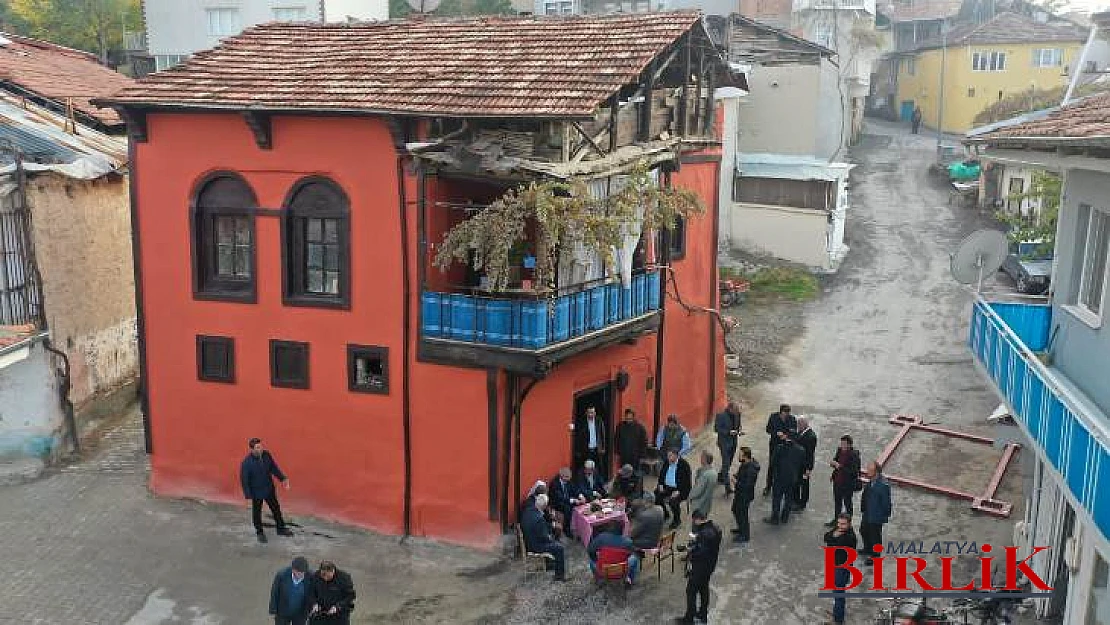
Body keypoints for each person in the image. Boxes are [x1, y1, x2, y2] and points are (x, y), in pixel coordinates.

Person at [240, 437, 293, 543]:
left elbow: (273, 468)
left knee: (276, 509)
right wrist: (248, 497)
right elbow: (244, 481)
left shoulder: (266, 455)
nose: (261, 449)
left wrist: (282, 478)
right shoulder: (246, 463)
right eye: (258, 447)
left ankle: (281, 528)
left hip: (269, 489)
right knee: (257, 513)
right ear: (252, 449)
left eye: (261, 446)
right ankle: (260, 533)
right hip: (256, 493)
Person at [676, 509, 722, 625]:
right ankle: (702, 614)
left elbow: (701, 552)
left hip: (700, 567)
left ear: (697, 519)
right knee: (704, 589)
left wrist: (689, 552)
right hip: (710, 566)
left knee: (691, 591)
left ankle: (689, 618)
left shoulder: (704, 534)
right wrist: (692, 546)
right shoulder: (715, 528)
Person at [521, 494, 566, 581]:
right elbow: (544, 538)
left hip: (528, 540)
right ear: (544, 506)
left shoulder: (528, 511)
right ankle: (559, 576)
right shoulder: (539, 518)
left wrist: (550, 527)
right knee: (559, 548)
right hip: (535, 546)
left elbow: (540, 528)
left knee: (555, 542)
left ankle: (551, 564)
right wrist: (552, 539)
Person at [824, 513, 858, 625]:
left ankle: (838, 620)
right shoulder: (839, 530)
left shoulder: (850, 537)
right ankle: (837, 613)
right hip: (836, 565)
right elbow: (826, 537)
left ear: (849, 524)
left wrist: (833, 536)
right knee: (836, 592)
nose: (840, 526)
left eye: (843, 524)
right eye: (838, 523)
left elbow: (833, 543)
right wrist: (834, 535)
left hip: (842, 568)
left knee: (839, 593)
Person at [765, 432, 805, 525]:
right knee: (789, 498)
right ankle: (785, 517)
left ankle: (775, 518)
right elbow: (801, 464)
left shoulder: (780, 448)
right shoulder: (801, 450)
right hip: (792, 478)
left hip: (779, 477)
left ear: (786, 436)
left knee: (777, 499)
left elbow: (773, 462)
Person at [859, 461, 892, 565]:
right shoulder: (871, 481)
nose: (867, 471)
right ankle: (867, 548)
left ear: (876, 472)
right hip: (868, 512)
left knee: (875, 536)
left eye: (870, 470)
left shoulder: (883, 485)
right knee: (863, 530)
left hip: (876, 516)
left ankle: (875, 556)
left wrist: (883, 516)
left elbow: (886, 503)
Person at [587, 521, 640, 586]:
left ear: (608, 530)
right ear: (622, 531)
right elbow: (630, 554)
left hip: (603, 570)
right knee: (634, 559)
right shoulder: (628, 542)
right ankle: (630, 580)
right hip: (621, 570)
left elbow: (590, 551)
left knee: (591, 562)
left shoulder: (601, 537)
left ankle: (599, 579)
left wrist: (596, 560)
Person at [826, 435, 862, 528]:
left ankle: (848, 523)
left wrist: (839, 466)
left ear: (850, 445)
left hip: (847, 484)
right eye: (841, 443)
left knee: (847, 504)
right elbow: (836, 460)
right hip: (837, 482)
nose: (842, 446)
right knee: (837, 502)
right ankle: (836, 521)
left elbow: (854, 472)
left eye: (844, 444)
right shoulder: (839, 450)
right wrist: (833, 465)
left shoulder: (854, 456)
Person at [307, 561, 356, 625]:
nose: (325, 578)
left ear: (333, 571)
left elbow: (350, 596)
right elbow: (311, 593)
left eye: (328, 576)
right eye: (323, 576)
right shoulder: (316, 576)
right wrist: (314, 603)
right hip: (320, 614)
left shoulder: (344, 578)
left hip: (339, 615)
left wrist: (337, 606)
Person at [654, 447, 692, 529]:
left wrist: (679, 491)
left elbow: (687, 483)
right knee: (656, 495)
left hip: (680, 489)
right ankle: (665, 513)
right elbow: (662, 474)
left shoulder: (684, 465)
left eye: (670, 456)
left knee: (673, 501)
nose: (668, 458)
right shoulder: (667, 462)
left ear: (676, 456)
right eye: (668, 455)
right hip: (667, 487)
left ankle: (677, 520)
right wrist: (660, 484)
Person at [763, 404, 797, 495]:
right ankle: (768, 486)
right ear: (780, 412)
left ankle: (782, 486)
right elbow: (768, 429)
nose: (786, 415)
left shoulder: (792, 419)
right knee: (772, 465)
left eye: (787, 413)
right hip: (774, 445)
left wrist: (787, 436)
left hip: (786, 445)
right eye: (784, 413)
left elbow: (794, 431)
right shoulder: (773, 417)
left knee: (784, 465)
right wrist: (776, 433)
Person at [269, 556, 311, 625]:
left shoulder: (310, 576)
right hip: (283, 611)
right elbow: (275, 592)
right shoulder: (281, 575)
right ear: (293, 570)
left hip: (300, 613)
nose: (302, 575)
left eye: (303, 572)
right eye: (299, 573)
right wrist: (273, 610)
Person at [730, 446, 759, 544]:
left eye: (740, 455)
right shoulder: (744, 464)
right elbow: (740, 474)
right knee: (735, 510)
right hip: (739, 494)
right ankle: (740, 528)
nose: (738, 456)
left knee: (743, 515)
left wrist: (735, 482)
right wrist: (736, 476)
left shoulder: (751, 470)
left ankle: (745, 535)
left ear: (745, 456)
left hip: (744, 496)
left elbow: (747, 486)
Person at [714, 402, 743, 494]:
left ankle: (721, 476)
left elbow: (738, 425)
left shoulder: (738, 414)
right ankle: (728, 487)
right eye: (735, 410)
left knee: (729, 462)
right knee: (726, 463)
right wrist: (728, 432)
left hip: (734, 442)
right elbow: (716, 429)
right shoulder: (720, 416)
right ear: (730, 409)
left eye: (737, 410)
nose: (736, 412)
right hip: (724, 443)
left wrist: (739, 431)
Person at [794, 417, 818, 512]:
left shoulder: (811, 437)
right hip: (798, 465)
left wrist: (809, 468)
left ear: (804, 424)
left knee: (804, 484)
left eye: (799, 425)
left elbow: (810, 454)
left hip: (804, 466)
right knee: (797, 482)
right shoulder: (801, 433)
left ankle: (802, 503)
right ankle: (796, 500)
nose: (798, 426)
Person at [549, 467, 581, 537]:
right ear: (562, 476)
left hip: (566, 499)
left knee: (579, 505)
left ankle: (577, 525)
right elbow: (560, 497)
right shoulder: (555, 484)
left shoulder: (568, 481)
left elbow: (574, 489)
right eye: (567, 477)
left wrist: (580, 496)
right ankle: (567, 529)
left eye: (570, 477)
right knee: (567, 508)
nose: (569, 479)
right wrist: (573, 500)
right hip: (557, 502)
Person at [574, 406, 606, 470]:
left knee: (598, 467)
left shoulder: (599, 420)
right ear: (586, 413)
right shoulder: (582, 422)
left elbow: (602, 434)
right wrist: (578, 450)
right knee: (585, 467)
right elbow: (578, 437)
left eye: (592, 412)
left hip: (597, 449)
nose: (591, 414)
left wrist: (603, 447)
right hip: (586, 449)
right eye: (589, 412)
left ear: (595, 413)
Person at [687, 451, 718, 518]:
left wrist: (689, 497)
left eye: (701, 457)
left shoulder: (705, 475)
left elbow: (698, 490)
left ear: (704, 460)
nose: (700, 459)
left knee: (697, 523)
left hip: (699, 505)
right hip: (707, 504)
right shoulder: (714, 473)